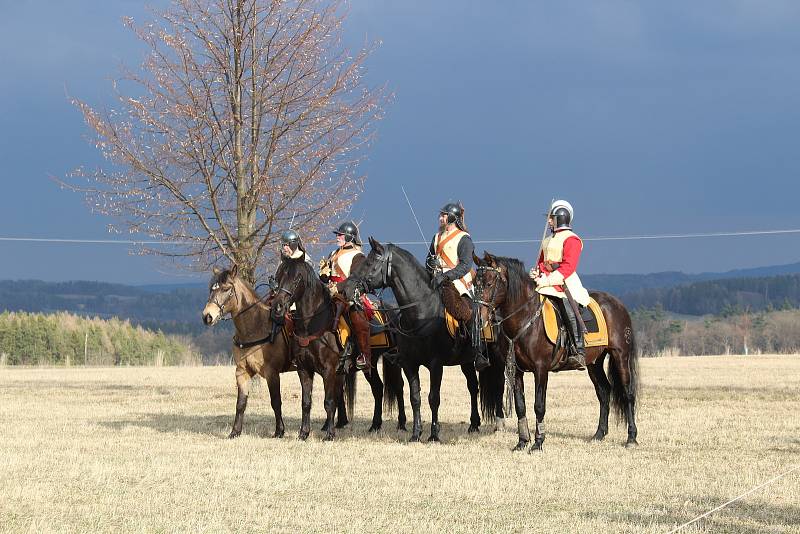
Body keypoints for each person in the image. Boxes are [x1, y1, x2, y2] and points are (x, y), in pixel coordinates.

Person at [426, 202, 489, 371]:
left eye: (444, 215)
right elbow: (429, 259)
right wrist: (430, 263)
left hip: (458, 280)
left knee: (470, 311)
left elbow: (465, 265)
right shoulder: (436, 237)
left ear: (452, 217)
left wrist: (446, 276)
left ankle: (478, 350)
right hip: (436, 278)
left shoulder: (464, 238)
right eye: (441, 215)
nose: (440, 218)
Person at [531, 200, 591, 368]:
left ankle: (578, 351)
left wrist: (548, 279)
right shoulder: (547, 239)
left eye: (551, 218)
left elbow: (568, 266)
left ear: (560, 218)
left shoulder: (572, 239)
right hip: (544, 282)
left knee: (567, 307)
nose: (549, 221)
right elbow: (542, 262)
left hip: (565, 283)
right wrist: (537, 272)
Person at [320, 221, 374, 372]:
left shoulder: (358, 255)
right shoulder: (332, 254)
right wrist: (323, 274)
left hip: (349, 293)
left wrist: (337, 287)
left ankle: (364, 355)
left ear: (349, 237)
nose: (337, 237)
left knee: (357, 318)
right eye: (338, 234)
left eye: (340, 235)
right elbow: (328, 277)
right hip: (330, 294)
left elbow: (355, 278)